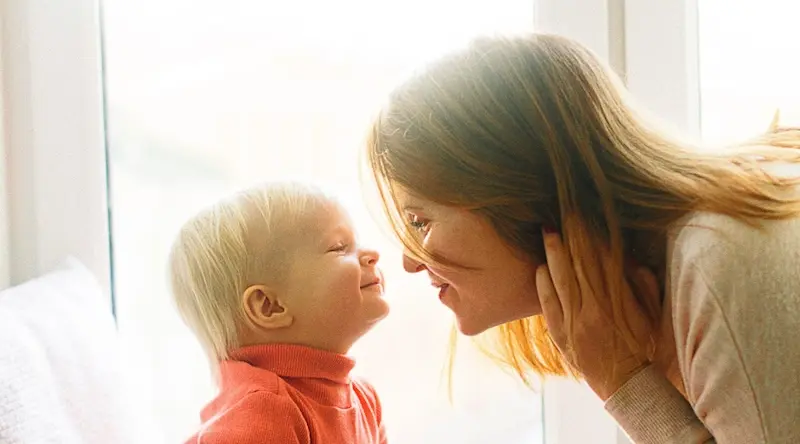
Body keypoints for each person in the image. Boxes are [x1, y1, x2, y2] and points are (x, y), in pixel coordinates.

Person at [364, 33, 800, 443]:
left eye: (420, 222)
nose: (410, 261)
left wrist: (625, 382)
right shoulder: (680, 275)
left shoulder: (716, 264)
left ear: (520, 193)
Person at [168, 182, 389, 444]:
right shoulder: (262, 415)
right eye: (339, 247)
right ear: (269, 307)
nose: (372, 254)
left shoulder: (365, 399)